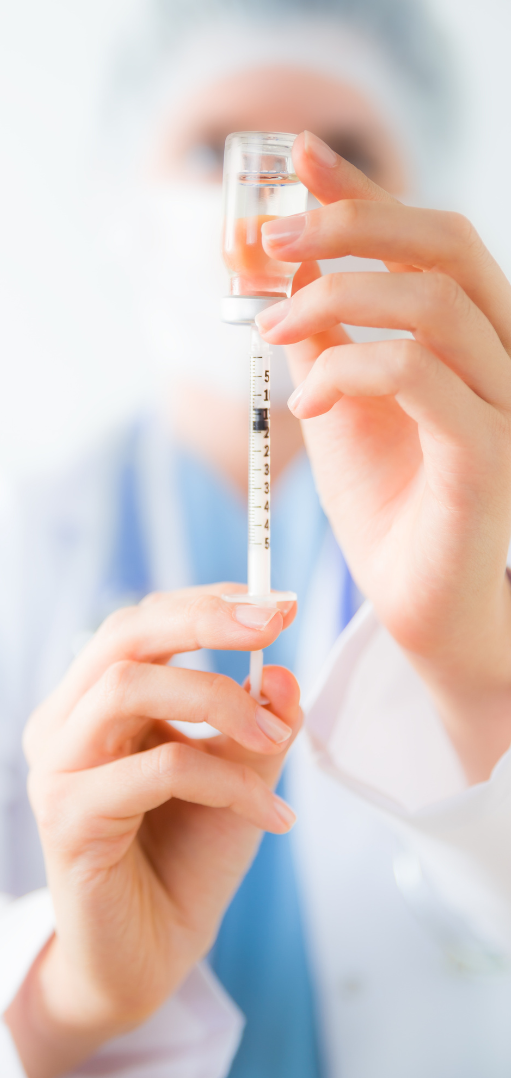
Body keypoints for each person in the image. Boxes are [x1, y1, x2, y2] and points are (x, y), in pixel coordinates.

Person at [2, 1, 511, 1076]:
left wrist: (477, 676)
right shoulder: (24, 545)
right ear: (120, 210)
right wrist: (67, 1001)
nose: (281, 193)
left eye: (346, 152)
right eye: (212, 149)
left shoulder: (492, 514)